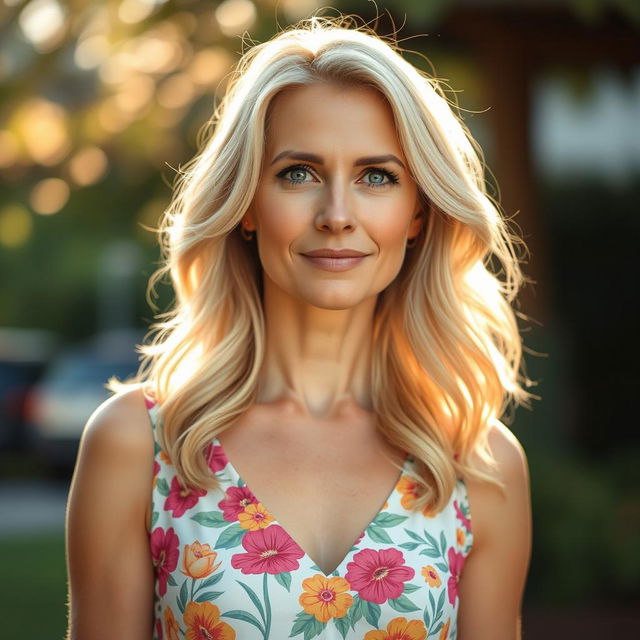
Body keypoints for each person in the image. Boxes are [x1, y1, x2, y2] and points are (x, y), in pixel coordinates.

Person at [65, 15, 534, 640]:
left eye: (377, 176)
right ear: (247, 205)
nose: (337, 215)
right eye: (298, 174)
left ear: (418, 213)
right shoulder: (141, 445)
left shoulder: (479, 465)